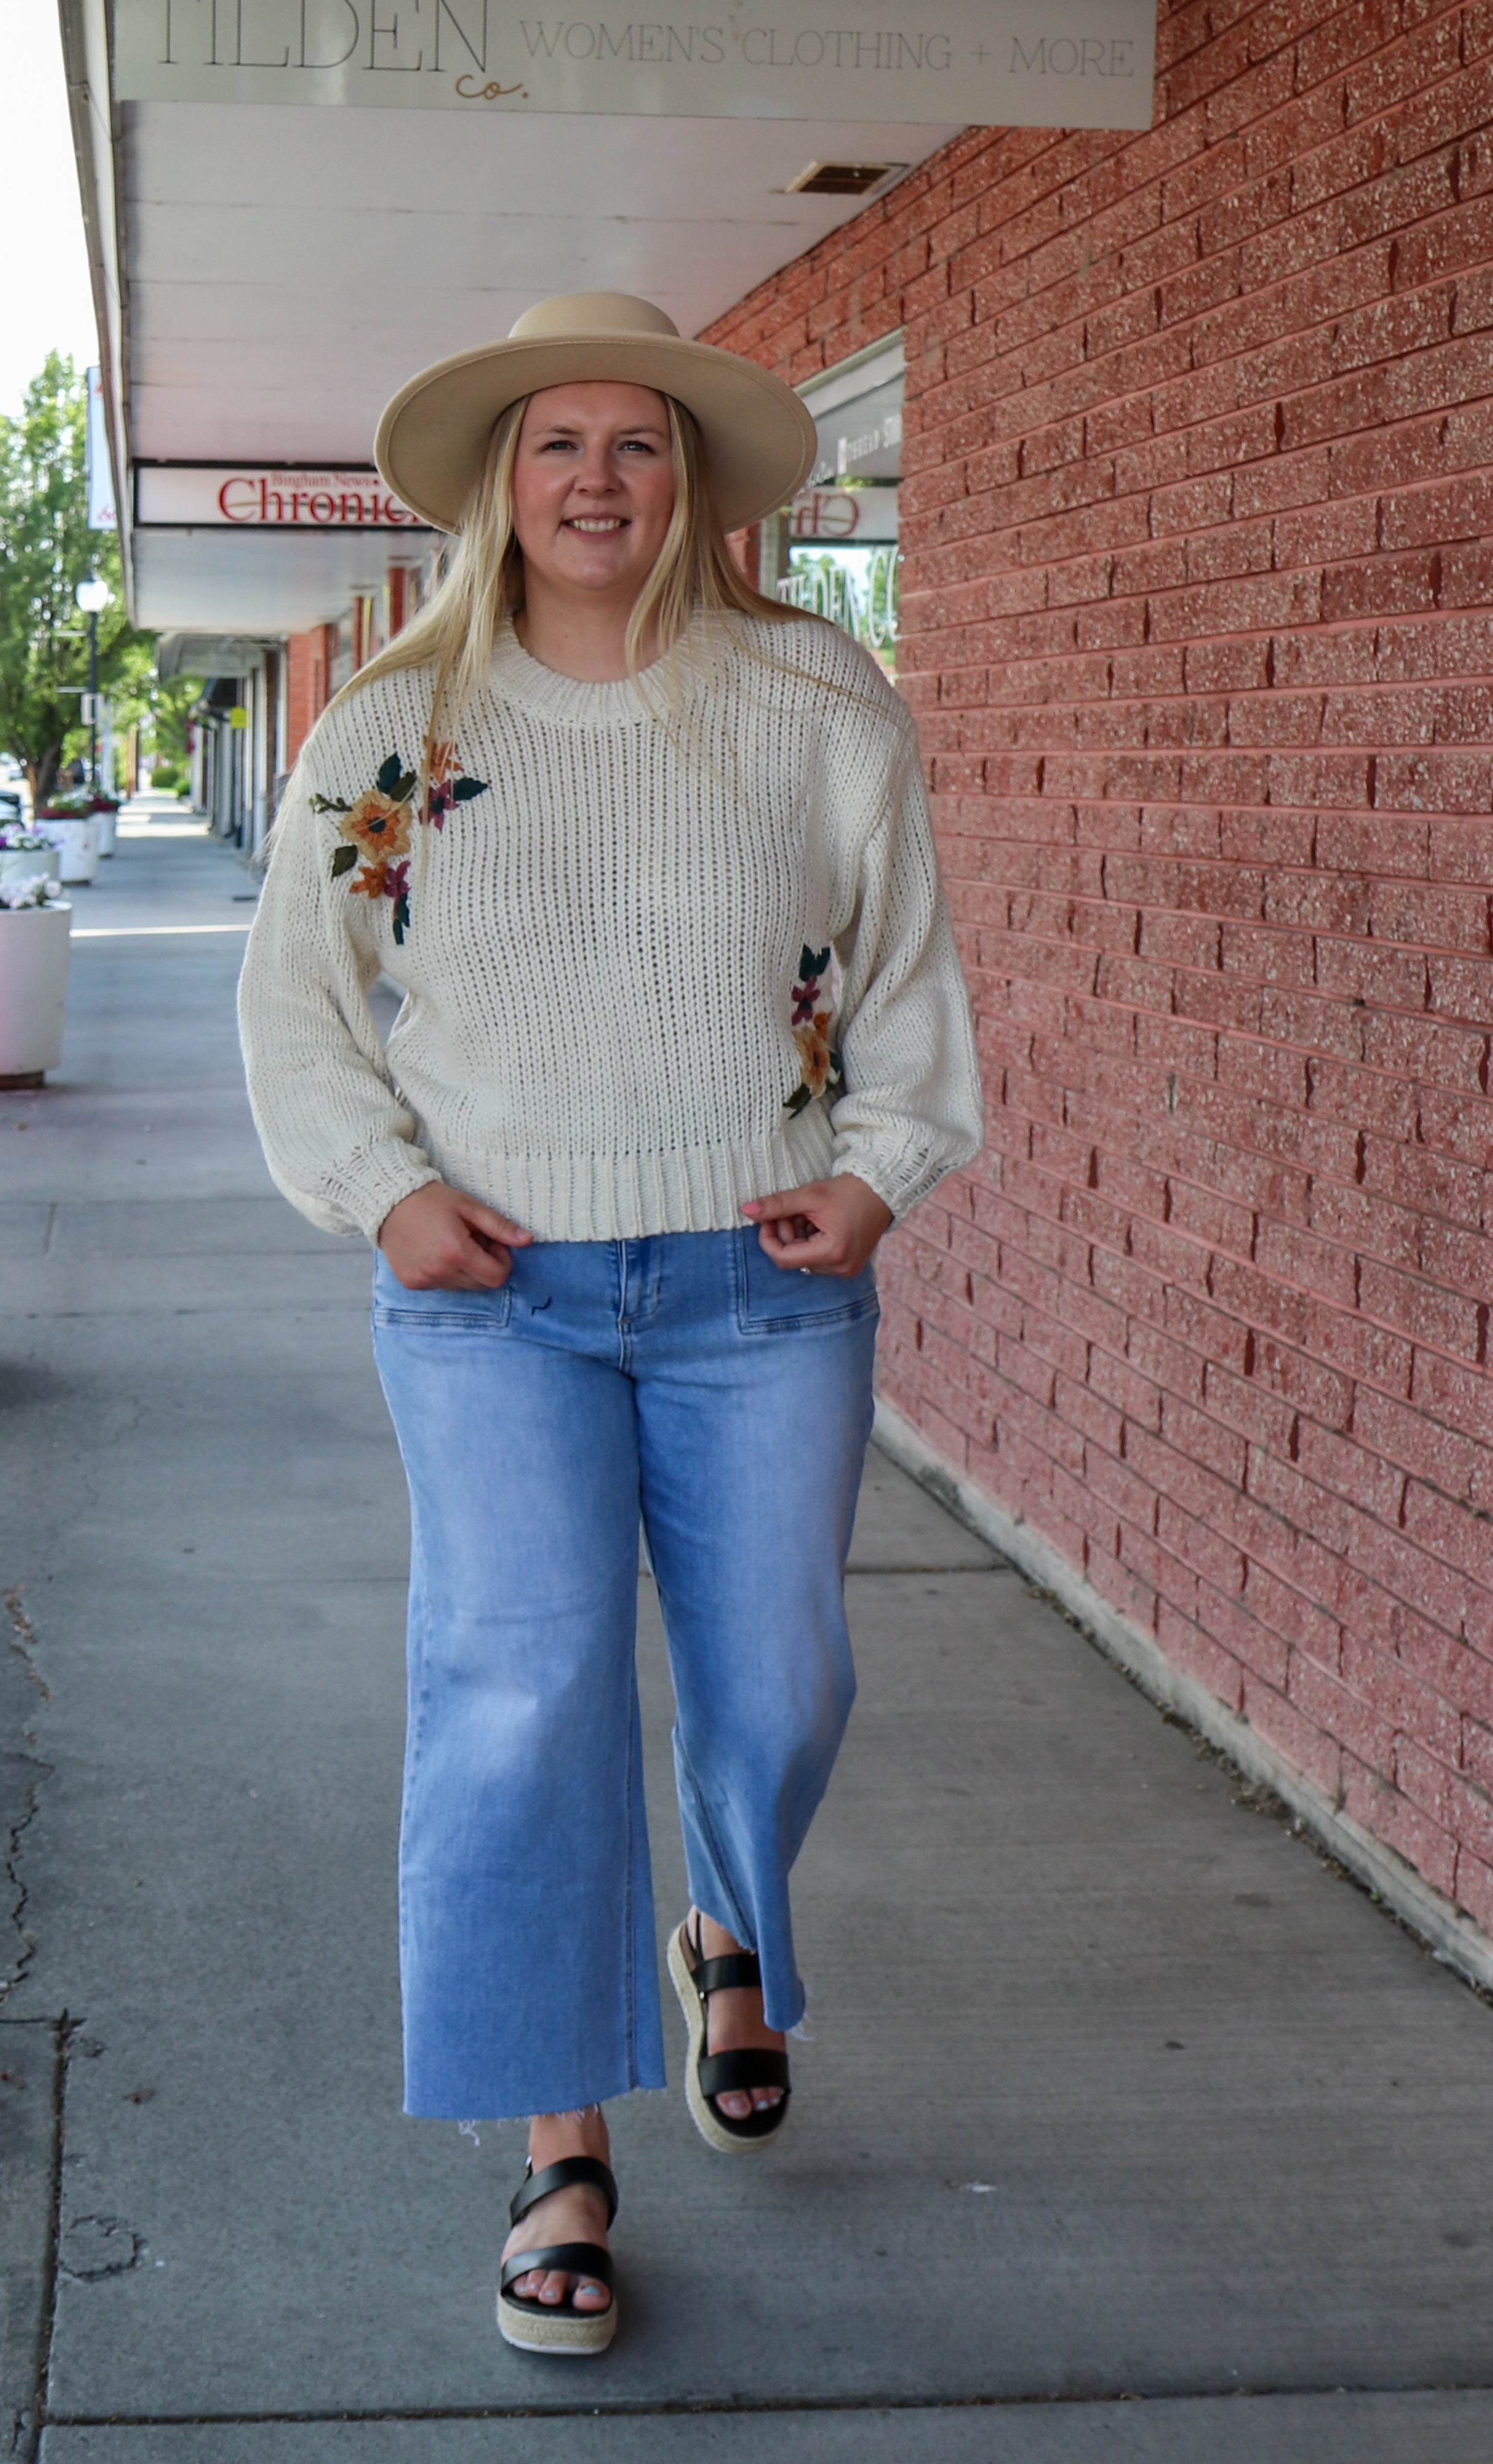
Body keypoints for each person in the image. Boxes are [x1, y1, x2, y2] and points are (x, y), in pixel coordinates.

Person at [237, 292, 983, 2357]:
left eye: (634, 443)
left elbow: (904, 963)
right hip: (499, 1301)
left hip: (764, 1285)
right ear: (502, 479)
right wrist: (384, 1193)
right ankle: (559, 2147)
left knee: (786, 1677)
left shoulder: (820, 703)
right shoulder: (400, 725)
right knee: (526, 1693)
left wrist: (888, 1159)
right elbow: (300, 998)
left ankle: (725, 1920)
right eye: (555, 443)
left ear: (693, 482)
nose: (593, 477)